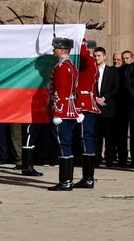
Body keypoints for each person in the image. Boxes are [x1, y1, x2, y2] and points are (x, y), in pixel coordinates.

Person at [48, 35, 80, 191]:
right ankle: (68, 180)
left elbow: (60, 91)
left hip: (63, 111)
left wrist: (57, 112)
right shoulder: (71, 65)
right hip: (71, 109)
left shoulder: (61, 67)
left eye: (55, 48)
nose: (53, 51)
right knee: (67, 144)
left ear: (61, 50)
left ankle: (65, 181)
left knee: (63, 145)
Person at [74, 40, 100, 189]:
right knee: (84, 139)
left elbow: (84, 54)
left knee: (86, 139)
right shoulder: (91, 63)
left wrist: (80, 39)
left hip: (84, 104)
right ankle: (87, 177)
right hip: (85, 102)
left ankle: (88, 178)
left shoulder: (89, 60)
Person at [95, 47, 121, 167]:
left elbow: (116, 88)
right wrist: (96, 99)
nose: (97, 58)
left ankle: (109, 158)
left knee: (110, 135)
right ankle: (97, 158)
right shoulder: (91, 71)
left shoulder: (112, 71)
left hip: (108, 107)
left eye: (99, 56)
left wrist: (104, 98)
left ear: (104, 57)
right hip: (95, 107)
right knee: (97, 136)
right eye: (95, 56)